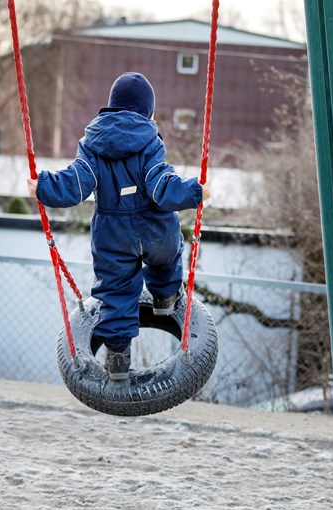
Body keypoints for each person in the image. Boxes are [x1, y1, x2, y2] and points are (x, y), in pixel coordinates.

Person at [27, 72, 210, 381]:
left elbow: (76, 183)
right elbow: (161, 185)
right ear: (147, 111)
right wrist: (194, 192)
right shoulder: (151, 141)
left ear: (111, 106)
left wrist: (43, 186)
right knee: (167, 257)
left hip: (112, 236)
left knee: (117, 291)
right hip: (155, 227)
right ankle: (165, 298)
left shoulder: (92, 144)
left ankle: (117, 358)